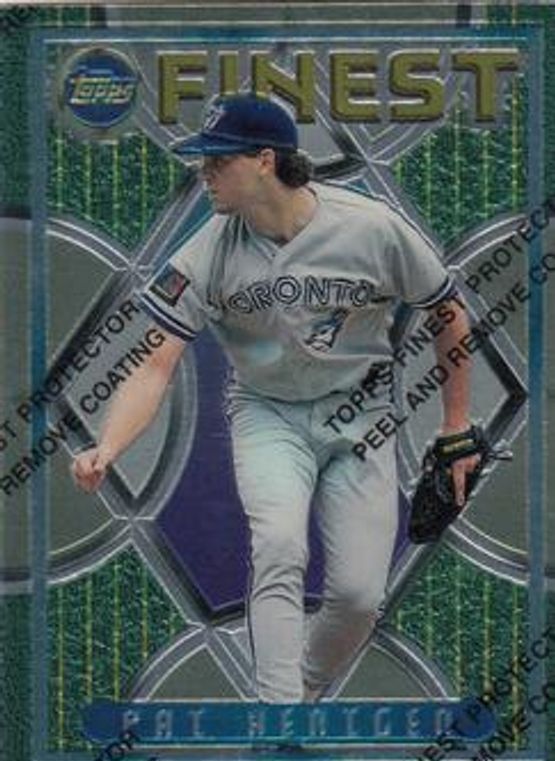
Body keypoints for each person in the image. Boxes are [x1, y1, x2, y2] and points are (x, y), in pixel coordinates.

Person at [72, 93, 477, 704]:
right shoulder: (206, 251)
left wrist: (455, 429)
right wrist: (109, 446)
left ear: (265, 160)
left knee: (359, 596)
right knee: (279, 545)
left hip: (362, 415)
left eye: (218, 160)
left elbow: (448, 311)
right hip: (268, 415)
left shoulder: (370, 227)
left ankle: (301, 696)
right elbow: (154, 365)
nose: (205, 172)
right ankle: (278, 709)